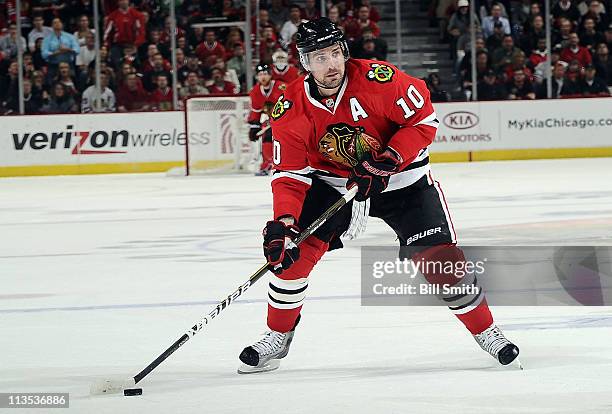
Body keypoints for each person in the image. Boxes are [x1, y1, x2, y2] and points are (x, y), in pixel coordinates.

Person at [237, 17, 520, 374]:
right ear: (305, 64)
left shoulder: (379, 80)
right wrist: (284, 222)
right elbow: (291, 175)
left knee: (442, 264)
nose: (331, 64)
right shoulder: (290, 107)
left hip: (402, 182)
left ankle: (487, 331)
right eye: (320, 57)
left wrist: (390, 158)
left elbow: (424, 121)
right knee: (290, 259)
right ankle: (277, 336)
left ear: (344, 51)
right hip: (334, 186)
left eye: (335, 53)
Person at [248, 64, 287, 176]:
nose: (263, 77)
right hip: (270, 122)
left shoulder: (282, 87)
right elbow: (256, 112)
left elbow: (291, 104)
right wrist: (254, 127)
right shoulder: (255, 91)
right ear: (257, 77)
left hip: (286, 120)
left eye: (265, 74)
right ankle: (268, 162)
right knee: (267, 137)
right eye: (260, 74)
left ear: (270, 75)